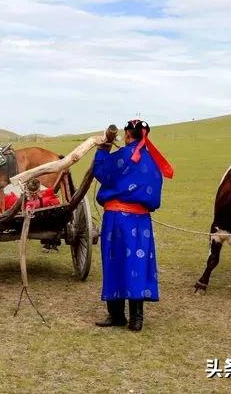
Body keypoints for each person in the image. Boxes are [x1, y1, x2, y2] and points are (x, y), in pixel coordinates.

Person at [93, 119, 174, 332]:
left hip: (117, 220)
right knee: (137, 264)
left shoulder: (122, 156)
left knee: (115, 262)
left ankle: (117, 315)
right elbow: (154, 196)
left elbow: (100, 171)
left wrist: (104, 149)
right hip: (141, 221)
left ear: (128, 134)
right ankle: (136, 319)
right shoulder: (153, 162)